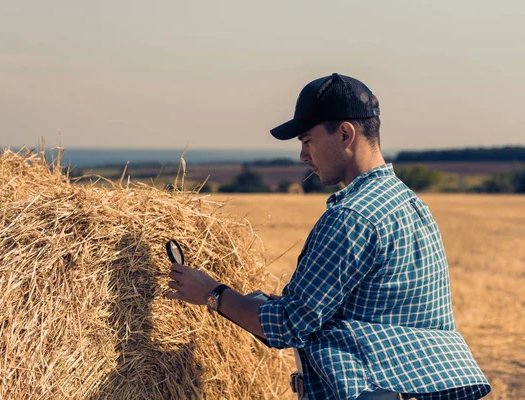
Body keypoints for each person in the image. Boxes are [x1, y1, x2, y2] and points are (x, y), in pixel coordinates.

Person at [165, 73, 491, 400]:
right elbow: (384, 310)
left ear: (345, 134)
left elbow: (288, 326)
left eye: (307, 140)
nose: (303, 156)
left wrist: (212, 293)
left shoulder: (352, 217)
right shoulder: (410, 203)